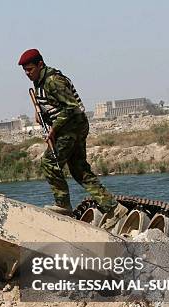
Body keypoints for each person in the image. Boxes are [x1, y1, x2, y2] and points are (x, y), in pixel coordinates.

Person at [18, 48, 127, 227]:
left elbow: (71, 107)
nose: (28, 74)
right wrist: (43, 115)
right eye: (25, 71)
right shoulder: (40, 82)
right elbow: (54, 105)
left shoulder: (53, 80)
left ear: (40, 64)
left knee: (50, 163)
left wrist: (54, 129)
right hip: (69, 127)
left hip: (71, 128)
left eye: (30, 69)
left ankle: (63, 206)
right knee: (79, 170)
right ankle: (113, 208)